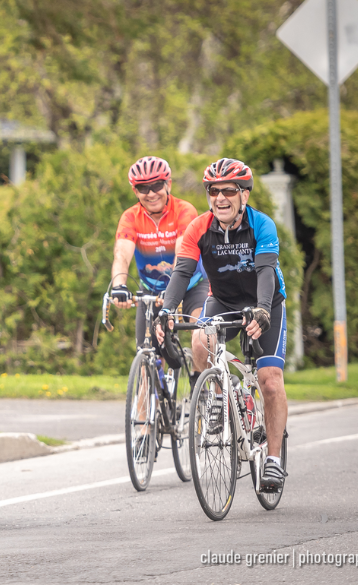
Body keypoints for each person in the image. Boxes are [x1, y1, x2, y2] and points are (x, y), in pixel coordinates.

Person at [155, 157, 288, 490]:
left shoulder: (262, 225)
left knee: (269, 380)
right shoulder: (198, 228)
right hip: (224, 301)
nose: (220, 198)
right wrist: (167, 312)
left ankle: (272, 461)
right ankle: (215, 397)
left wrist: (261, 311)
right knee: (200, 338)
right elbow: (182, 272)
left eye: (229, 190)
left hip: (265, 302)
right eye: (213, 191)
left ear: (244, 194)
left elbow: (265, 272)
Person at [111, 156, 209, 386]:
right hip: (152, 292)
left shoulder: (184, 211)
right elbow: (122, 253)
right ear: (135, 191)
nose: (151, 193)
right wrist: (118, 286)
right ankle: (147, 421)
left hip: (192, 285)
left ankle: (199, 383)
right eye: (143, 188)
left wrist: (173, 292)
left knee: (202, 335)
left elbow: (183, 254)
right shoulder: (130, 217)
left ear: (169, 185)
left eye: (156, 185)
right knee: (148, 359)